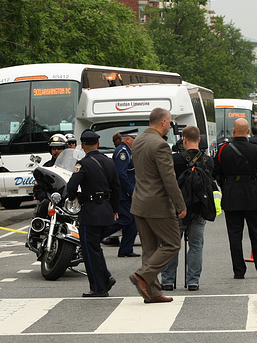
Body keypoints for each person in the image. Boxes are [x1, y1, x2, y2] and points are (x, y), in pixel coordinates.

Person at [129, 108, 187, 304]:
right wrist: (180, 204)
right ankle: (142, 276)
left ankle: (152, 292)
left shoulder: (138, 141)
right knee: (172, 243)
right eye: (169, 122)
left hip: (139, 202)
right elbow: (168, 179)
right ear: (162, 122)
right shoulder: (160, 145)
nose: (170, 126)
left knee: (149, 248)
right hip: (158, 203)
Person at [213, 118, 257, 280]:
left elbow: (214, 171)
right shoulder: (256, 149)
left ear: (233, 131)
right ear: (247, 131)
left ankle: (239, 271)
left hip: (231, 195)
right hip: (252, 195)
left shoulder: (223, 150)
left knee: (234, 236)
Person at [67, 130, 120, 297]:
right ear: (97, 143)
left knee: (89, 249)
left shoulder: (82, 164)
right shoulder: (109, 162)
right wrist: (115, 209)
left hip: (90, 212)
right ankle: (105, 277)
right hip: (106, 210)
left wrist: (73, 197)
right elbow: (117, 187)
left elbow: (71, 187)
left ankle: (98, 287)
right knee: (95, 247)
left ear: (82, 145)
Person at [161, 126, 214, 291]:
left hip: (177, 208)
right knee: (196, 245)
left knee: (172, 245)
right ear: (199, 139)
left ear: (183, 139)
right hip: (199, 208)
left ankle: (168, 280)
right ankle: (193, 281)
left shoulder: (174, 159)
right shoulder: (208, 161)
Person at [102, 129, 140, 257]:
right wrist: (130, 190)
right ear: (128, 139)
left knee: (133, 221)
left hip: (128, 193)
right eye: (134, 139)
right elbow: (120, 174)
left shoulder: (129, 151)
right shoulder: (122, 152)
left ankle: (126, 249)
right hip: (124, 194)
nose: (136, 141)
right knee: (125, 219)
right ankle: (98, 236)